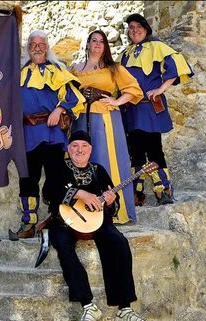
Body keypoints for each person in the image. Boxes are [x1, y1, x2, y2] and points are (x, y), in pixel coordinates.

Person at [43, 130, 149, 321]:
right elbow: (48, 193)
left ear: (90, 150)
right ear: (68, 148)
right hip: (64, 222)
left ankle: (124, 308)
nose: (79, 150)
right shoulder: (58, 167)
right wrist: (79, 193)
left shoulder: (98, 170)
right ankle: (88, 305)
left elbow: (111, 204)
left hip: (97, 222)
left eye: (84, 146)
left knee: (118, 242)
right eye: (75, 146)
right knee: (63, 244)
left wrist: (110, 201)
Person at [8, 30, 85, 240]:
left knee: (56, 177)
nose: (37, 47)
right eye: (33, 43)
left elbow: (76, 99)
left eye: (41, 43)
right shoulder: (19, 72)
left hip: (52, 133)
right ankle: (29, 222)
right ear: (28, 47)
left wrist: (59, 110)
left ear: (47, 47)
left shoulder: (58, 70)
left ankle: (58, 220)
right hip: (27, 133)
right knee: (28, 178)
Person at [119, 14, 194, 206]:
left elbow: (177, 64)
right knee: (135, 151)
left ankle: (163, 190)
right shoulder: (126, 53)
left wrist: (161, 89)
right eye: (131, 27)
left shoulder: (157, 46)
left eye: (138, 26)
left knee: (153, 149)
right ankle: (137, 193)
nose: (134, 30)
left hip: (149, 108)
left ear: (146, 28)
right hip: (131, 110)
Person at [70, 30, 143, 224]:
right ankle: (83, 211)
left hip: (104, 119)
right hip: (80, 119)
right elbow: (67, 92)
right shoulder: (75, 69)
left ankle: (115, 212)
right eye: (94, 40)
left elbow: (134, 89)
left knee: (104, 160)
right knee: (81, 162)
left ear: (106, 46)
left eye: (102, 42)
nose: (98, 44)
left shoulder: (113, 68)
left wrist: (117, 101)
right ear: (87, 44)